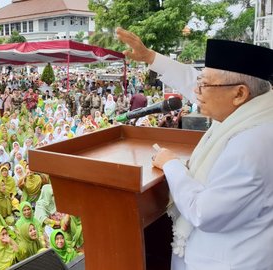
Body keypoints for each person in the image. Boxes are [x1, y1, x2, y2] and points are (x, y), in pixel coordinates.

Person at [117, 27, 273, 270]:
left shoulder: (251, 143)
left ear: (240, 93)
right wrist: (150, 57)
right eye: (199, 82)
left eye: (204, 85)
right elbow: (195, 81)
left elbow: (205, 212)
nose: (196, 92)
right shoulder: (251, 112)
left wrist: (171, 164)